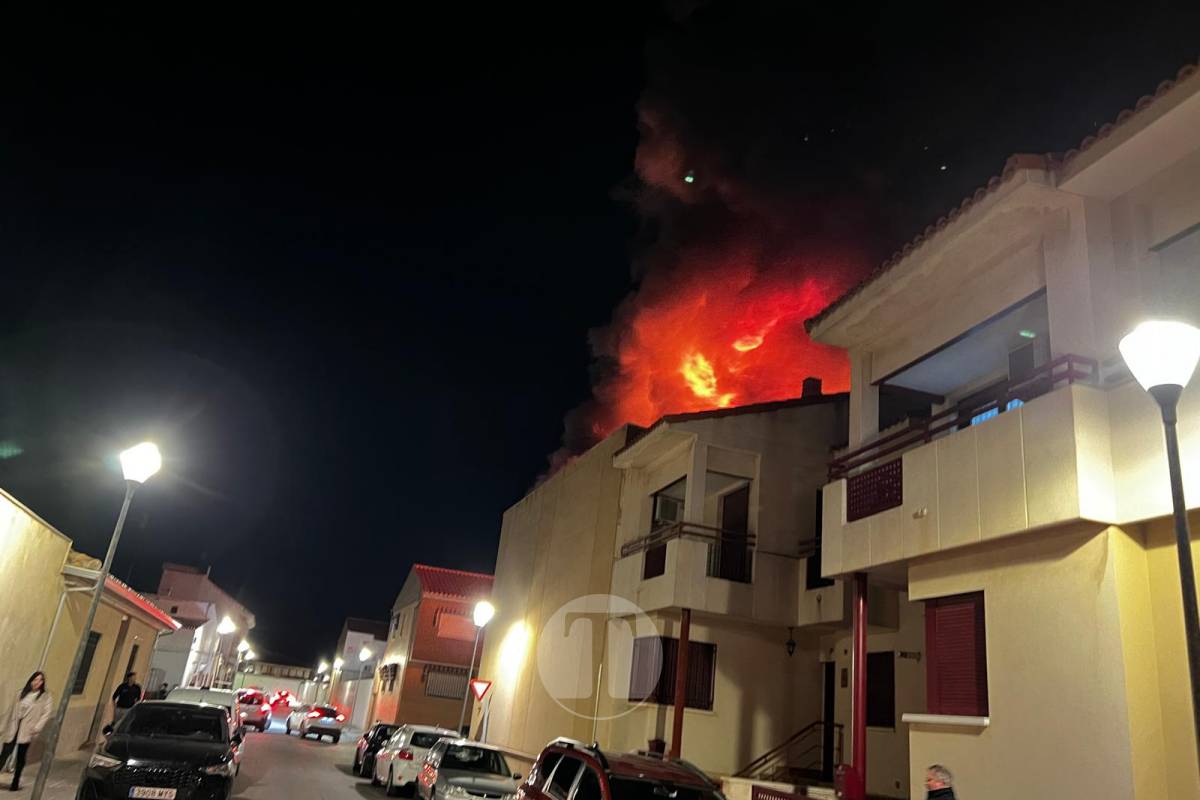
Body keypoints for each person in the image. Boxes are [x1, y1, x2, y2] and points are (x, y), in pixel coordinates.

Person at [1, 671, 53, 791]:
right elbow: (10, 710)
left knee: (21, 756)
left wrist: (37, 727)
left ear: (42, 683)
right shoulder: (20, 693)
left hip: (27, 729)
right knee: (5, 752)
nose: (37, 682)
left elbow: (46, 713)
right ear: (31, 681)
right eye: (35, 679)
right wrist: (2, 726)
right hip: (14, 726)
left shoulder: (45, 697)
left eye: (40, 680)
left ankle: (15, 782)